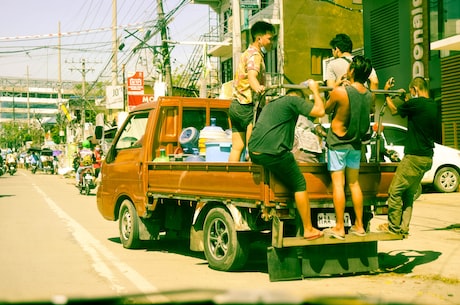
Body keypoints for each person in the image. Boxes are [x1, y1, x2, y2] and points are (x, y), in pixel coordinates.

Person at [248, 80, 325, 240]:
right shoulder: (293, 101)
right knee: (299, 184)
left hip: (255, 151)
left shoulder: (272, 104)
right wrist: (316, 91)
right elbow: (320, 111)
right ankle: (308, 229)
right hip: (272, 152)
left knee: (282, 168)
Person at [378, 76, 437, 237]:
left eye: (412, 92)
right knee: (408, 194)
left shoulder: (416, 104)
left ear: (415, 90)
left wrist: (386, 94)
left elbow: (395, 110)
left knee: (395, 192)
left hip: (414, 157)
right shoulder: (432, 104)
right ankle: (403, 227)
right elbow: (412, 107)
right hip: (427, 158)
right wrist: (406, 98)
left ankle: (394, 228)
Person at [323, 55, 374, 240]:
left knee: (339, 184)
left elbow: (326, 110)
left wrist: (336, 85)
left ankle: (339, 227)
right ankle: (359, 225)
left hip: (338, 142)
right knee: (354, 184)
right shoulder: (369, 95)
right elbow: (371, 111)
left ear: (351, 70)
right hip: (356, 144)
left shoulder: (340, 92)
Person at [228, 21, 275, 162]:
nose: (272, 42)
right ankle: (252, 182)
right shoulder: (256, 55)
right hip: (248, 106)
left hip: (235, 106)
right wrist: (257, 87)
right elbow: (252, 75)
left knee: (237, 147)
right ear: (259, 39)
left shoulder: (246, 53)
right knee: (254, 149)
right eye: (270, 39)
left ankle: (231, 179)